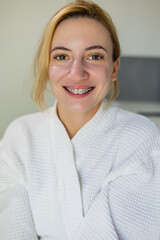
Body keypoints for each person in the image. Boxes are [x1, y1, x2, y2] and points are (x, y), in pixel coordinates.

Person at [0, 0, 160, 239]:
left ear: (114, 69)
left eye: (95, 56)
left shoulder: (140, 137)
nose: (76, 73)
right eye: (62, 56)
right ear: (48, 68)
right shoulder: (21, 135)